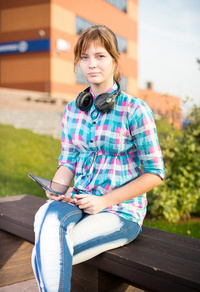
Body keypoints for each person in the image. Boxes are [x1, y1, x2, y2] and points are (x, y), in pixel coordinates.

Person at [31, 25, 165, 292]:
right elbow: (68, 161)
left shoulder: (135, 110)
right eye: (84, 57)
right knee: (45, 215)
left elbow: (155, 172)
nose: (91, 64)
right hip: (78, 200)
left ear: (114, 60)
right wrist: (56, 188)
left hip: (119, 211)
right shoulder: (72, 110)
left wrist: (104, 201)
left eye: (100, 56)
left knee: (48, 252)